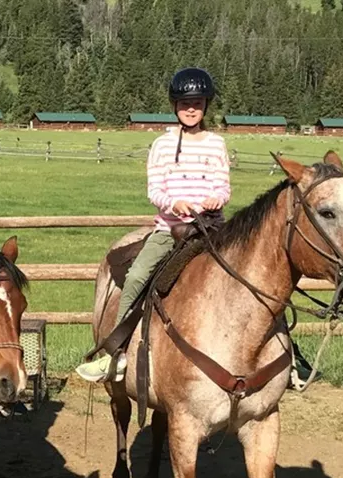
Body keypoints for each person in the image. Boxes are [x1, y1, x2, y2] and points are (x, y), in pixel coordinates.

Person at [75, 67, 231, 383]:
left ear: (206, 106)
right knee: (135, 278)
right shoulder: (161, 145)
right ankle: (114, 355)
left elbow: (224, 187)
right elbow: (154, 189)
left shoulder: (216, 144)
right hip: (170, 229)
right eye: (186, 103)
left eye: (197, 103)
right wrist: (174, 204)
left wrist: (217, 199)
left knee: (252, 271)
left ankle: (289, 355)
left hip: (211, 229)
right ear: (175, 105)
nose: (191, 109)